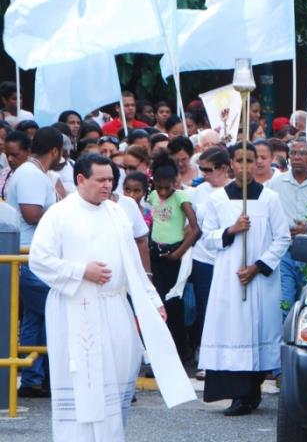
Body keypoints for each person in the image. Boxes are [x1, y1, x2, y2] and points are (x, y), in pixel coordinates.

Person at [28, 153, 193, 441]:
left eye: (110, 180)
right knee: (83, 383)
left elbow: (132, 262)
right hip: (75, 307)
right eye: (100, 180)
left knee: (117, 378)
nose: (107, 186)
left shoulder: (116, 212)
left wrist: (152, 300)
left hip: (115, 305)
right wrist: (81, 271)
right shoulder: (59, 213)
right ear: (80, 179)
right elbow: (39, 260)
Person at [199, 143, 291, 416]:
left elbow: (283, 237)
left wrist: (258, 266)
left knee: (257, 330)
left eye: (249, 160)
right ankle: (239, 394)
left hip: (259, 279)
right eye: (238, 160)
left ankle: (251, 392)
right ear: (230, 164)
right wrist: (232, 229)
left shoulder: (270, 198)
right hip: (229, 278)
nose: (244, 166)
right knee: (232, 331)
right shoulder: (218, 199)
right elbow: (208, 238)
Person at [8, 127, 64, 397]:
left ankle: (34, 378)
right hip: (31, 256)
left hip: (35, 255)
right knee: (55, 311)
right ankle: (44, 376)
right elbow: (31, 214)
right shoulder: (31, 174)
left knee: (35, 317)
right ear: (55, 151)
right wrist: (62, 211)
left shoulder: (35, 174)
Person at [147, 154, 199, 360]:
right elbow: (154, 223)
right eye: (158, 187)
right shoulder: (152, 197)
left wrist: (178, 253)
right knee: (158, 303)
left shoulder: (181, 198)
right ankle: (162, 352)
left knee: (174, 304)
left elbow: (195, 230)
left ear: (174, 184)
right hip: (156, 253)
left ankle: (179, 351)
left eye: (166, 188)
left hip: (175, 252)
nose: (162, 192)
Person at [189, 146, 232, 380]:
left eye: (208, 169)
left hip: (227, 259)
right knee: (205, 309)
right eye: (201, 169)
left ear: (224, 168)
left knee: (227, 309)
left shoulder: (235, 191)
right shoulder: (199, 191)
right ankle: (207, 359)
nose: (204, 174)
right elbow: (195, 225)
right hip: (203, 258)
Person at [266, 137, 307, 316]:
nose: (296, 157)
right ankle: (282, 342)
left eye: (302, 153)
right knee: (284, 302)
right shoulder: (276, 184)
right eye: (293, 153)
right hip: (285, 251)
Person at [1, 130, 30, 200]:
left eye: (14, 155)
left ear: (28, 152)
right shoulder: (4, 173)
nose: (9, 159)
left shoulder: (39, 175)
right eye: (7, 155)